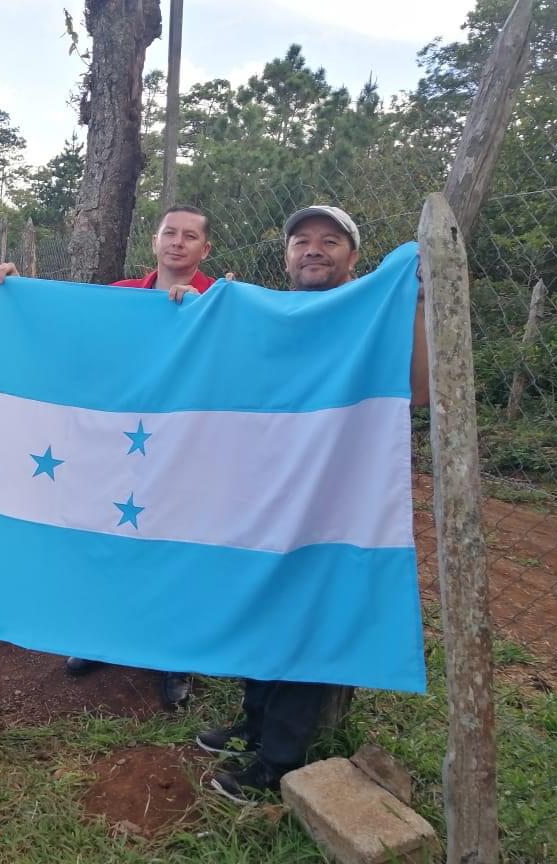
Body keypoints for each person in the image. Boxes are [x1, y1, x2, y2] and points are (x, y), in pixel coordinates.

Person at [196, 205, 430, 802]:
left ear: (354, 257)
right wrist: (191, 315)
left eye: (331, 241)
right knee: (265, 603)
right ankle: (256, 721)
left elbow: (421, 390)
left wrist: (420, 302)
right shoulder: (273, 316)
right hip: (266, 491)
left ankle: (277, 762)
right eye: (302, 241)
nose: (314, 249)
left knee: (310, 615)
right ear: (287, 256)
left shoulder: (374, 315)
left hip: (338, 498)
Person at [0, 204, 217, 709]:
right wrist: (21, 289)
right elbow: (65, 322)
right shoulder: (120, 296)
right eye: (169, 233)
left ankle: (174, 656)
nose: (178, 242)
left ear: (205, 249)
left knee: (171, 543)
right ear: (155, 242)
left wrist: (203, 308)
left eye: (190, 236)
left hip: (183, 447)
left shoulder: (218, 302)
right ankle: (100, 637)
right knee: (106, 535)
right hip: (116, 445)